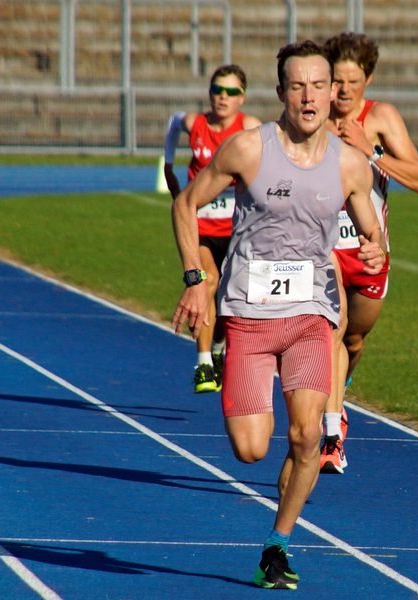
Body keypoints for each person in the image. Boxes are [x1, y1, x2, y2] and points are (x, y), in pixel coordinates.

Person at [171, 41, 386, 589]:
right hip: (247, 314)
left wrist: (374, 249)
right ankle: (277, 502)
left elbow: (371, 232)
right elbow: (185, 205)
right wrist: (196, 278)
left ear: (332, 93)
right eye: (298, 86)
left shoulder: (349, 163)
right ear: (281, 93)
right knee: (250, 450)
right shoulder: (248, 149)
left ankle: (278, 543)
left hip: (312, 314)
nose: (311, 96)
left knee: (307, 438)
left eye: (320, 85)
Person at [319, 32, 418, 474]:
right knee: (333, 329)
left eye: (352, 81)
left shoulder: (381, 117)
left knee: (355, 339)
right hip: (325, 249)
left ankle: (339, 391)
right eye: (337, 81)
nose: (343, 91)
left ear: (368, 79)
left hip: (370, 254)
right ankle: (332, 431)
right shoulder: (312, 115)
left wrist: (372, 149)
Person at [164, 64, 261, 393]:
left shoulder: (250, 128)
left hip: (236, 230)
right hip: (201, 224)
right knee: (208, 281)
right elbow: (173, 121)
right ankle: (204, 364)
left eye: (231, 92)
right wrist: (168, 166)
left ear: (242, 98)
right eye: (217, 90)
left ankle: (218, 349)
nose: (223, 97)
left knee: (230, 297)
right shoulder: (196, 123)